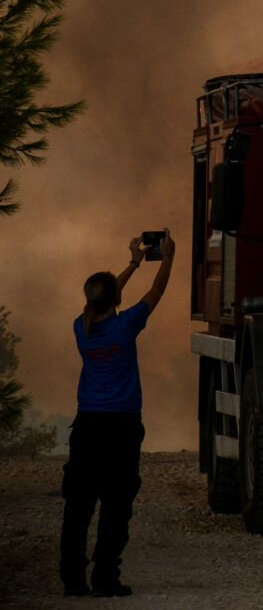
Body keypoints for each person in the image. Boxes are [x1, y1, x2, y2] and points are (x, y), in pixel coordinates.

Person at [62, 233, 174, 597]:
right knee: (115, 505)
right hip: (121, 427)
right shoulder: (126, 325)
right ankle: (105, 578)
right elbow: (156, 293)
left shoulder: (83, 327)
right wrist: (167, 257)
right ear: (116, 299)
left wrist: (132, 264)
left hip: (87, 425)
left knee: (78, 506)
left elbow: (102, 298)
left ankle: (73, 580)